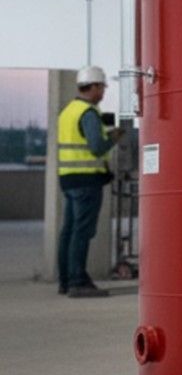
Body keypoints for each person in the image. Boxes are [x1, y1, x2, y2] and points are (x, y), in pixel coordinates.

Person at [56, 65, 123, 298]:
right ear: (93, 86)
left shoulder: (67, 112)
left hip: (68, 179)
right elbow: (96, 147)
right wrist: (114, 137)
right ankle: (78, 281)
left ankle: (65, 281)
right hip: (86, 181)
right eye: (102, 87)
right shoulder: (88, 113)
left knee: (69, 231)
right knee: (82, 232)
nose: (103, 92)